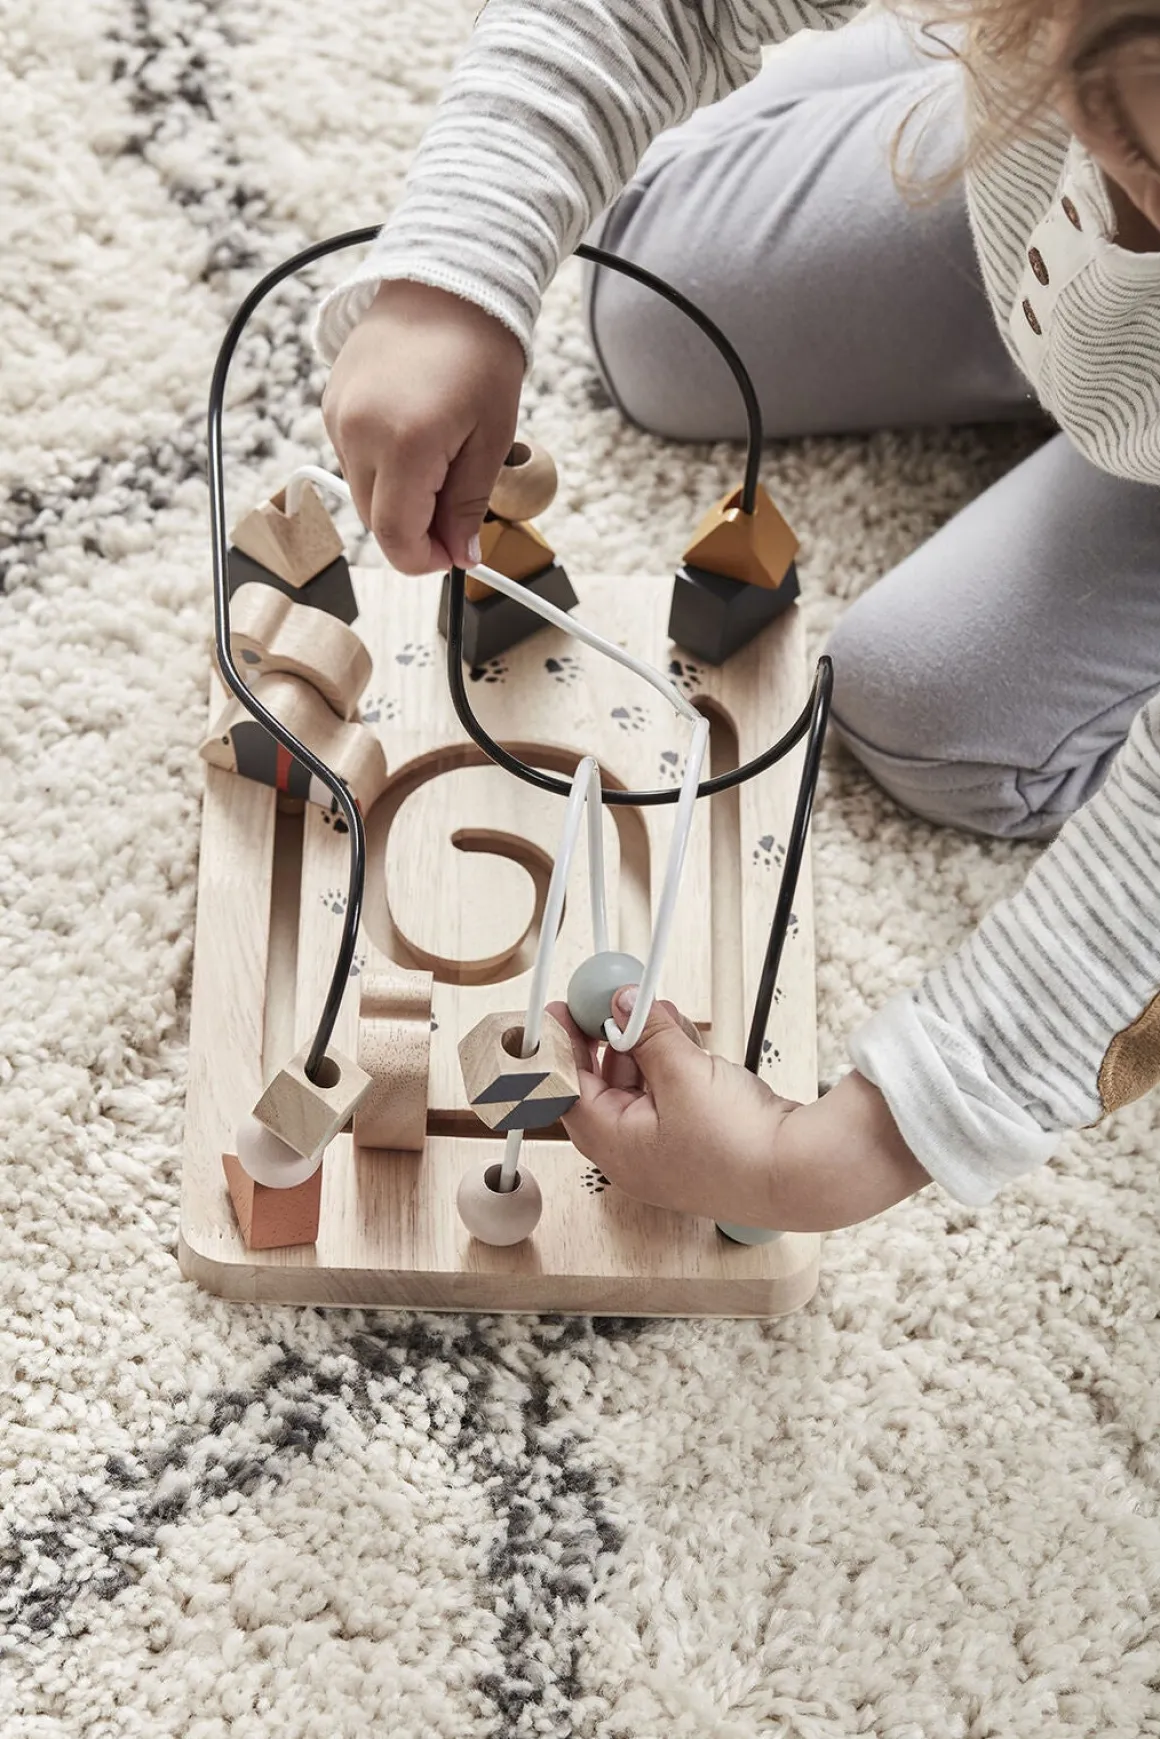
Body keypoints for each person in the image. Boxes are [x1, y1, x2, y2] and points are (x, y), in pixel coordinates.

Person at [317, 1, 1160, 1234]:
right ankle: (969, 73)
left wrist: (834, 1154)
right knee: (652, 313)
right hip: (1027, 170)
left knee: (928, 708)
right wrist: (452, 281)